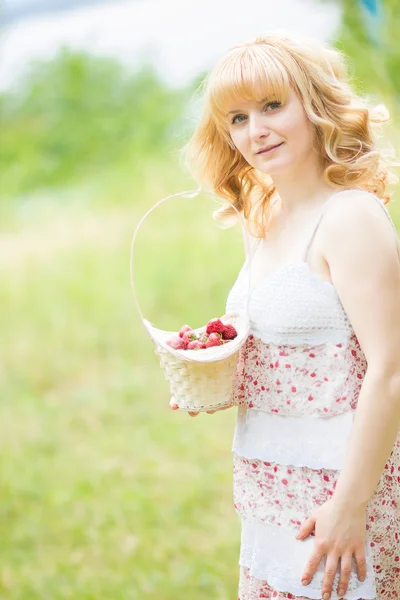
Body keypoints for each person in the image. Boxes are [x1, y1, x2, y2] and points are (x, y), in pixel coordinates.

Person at [170, 31, 400, 600]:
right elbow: (290, 347)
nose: (256, 130)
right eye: (238, 118)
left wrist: (351, 504)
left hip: (346, 483)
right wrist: (214, 369)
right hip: (274, 482)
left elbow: (391, 370)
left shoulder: (351, 217)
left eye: (273, 105)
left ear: (315, 104)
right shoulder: (264, 217)